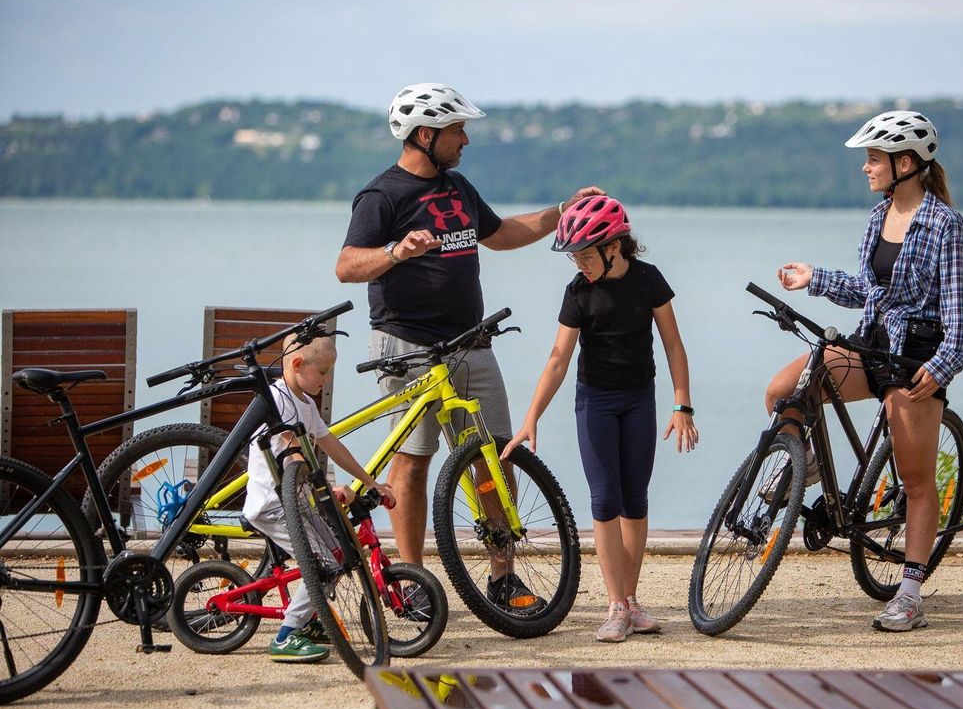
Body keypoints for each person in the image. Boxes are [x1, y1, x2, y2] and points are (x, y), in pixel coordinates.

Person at [334, 83, 602, 613]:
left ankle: (502, 576)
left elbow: (498, 234)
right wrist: (395, 251)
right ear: (425, 135)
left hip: (470, 342)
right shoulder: (381, 195)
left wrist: (561, 210)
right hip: (406, 345)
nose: (466, 139)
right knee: (412, 462)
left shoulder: (458, 187)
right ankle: (411, 582)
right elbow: (346, 266)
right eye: (458, 130)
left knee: (493, 457)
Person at [769, 110, 963, 632]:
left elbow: (961, 319)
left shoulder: (945, 226)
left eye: (873, 158)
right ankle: (807, 462)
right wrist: (815, 279)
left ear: (905, 163)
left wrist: (942, 366)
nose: (866, 167)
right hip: (874, 342)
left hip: (918, 359)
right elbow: (870, 291)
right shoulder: (877, 218)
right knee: (786, 390)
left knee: (916, 480)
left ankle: (909, 594)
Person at [503, 195, 699, 643]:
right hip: (595, 401)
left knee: (636, 500)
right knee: (605, 499)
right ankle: (614, 605)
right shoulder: (578, 292)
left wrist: (682, 403)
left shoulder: (649, 280)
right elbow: (557, 360)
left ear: (616, 247)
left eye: (587, 256)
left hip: (639, 399)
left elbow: (673, 344)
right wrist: (532, 417)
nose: (580, 265)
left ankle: (629, 602)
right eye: (574, 258)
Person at [243, 334, 396, 662]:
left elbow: (332, 445)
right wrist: (325, 488)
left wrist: (371, 483)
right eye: (323, 372)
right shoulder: (277, 400)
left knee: (340, 555)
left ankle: (312, 620)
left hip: (297, 502)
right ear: (297, 364)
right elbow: (292, 454)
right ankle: (286, 636)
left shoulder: (306, 404)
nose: (327, 380)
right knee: (324, 564)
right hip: (273, 505)